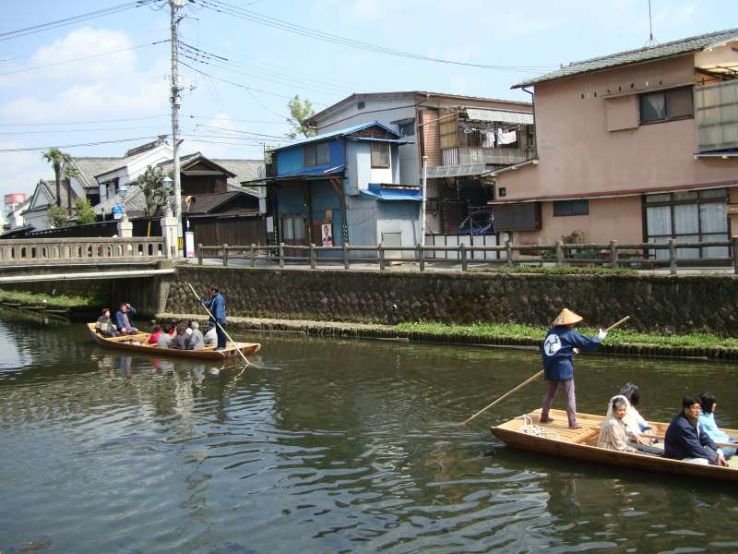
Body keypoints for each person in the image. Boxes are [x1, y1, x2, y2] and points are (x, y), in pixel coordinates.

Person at [540, 308, 607, 429]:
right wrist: (599, 338)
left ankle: (544, 417)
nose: (573, 324)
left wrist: (570, 350)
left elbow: (556, 347)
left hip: (550, 366)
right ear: (568, 323)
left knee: (550, 393)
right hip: (564, 368)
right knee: (570, 395)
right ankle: (572, 423)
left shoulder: (550, 332)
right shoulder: (570, 334)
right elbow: (586, 342)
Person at [664, 396, 726, 466]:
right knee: (703, 462)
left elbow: (704, 438)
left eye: (699, 408)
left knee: (719, 452)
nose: (698, 411)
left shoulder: (694, 420)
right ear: (686, 409)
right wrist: (715, 458)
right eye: (694, 408)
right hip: (677, 457)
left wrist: (717, 451)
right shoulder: (681, 425)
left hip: (689, 454)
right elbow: (695, 447)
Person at [698, 393, 737, 459]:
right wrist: (730, 442)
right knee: (733, 448)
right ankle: (719, 456)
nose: (715, 405)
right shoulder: (700, 419)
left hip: (719, 438)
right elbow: (709, 438)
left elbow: (715, 431)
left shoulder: (709, 414)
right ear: (707, 404)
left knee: (734, 439)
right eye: (713, 403)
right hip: (714, 444)